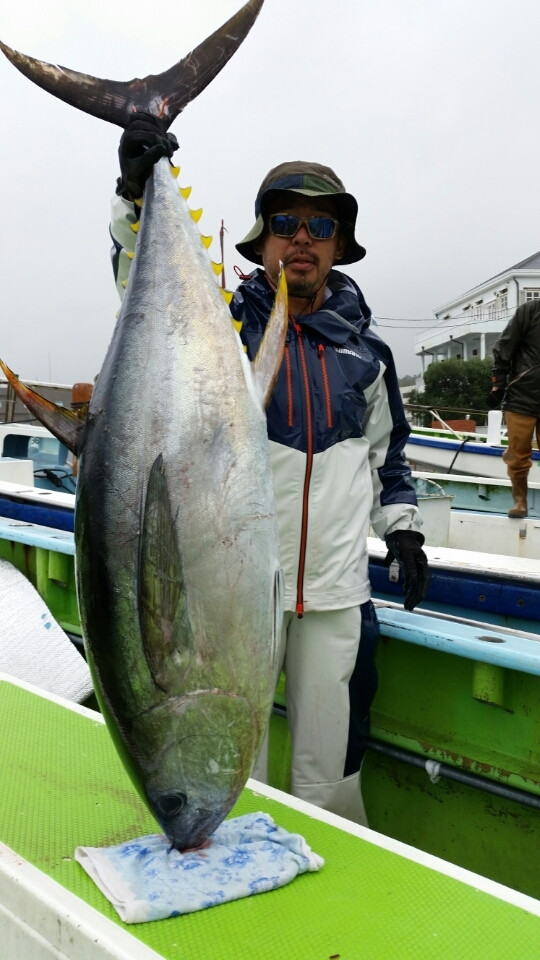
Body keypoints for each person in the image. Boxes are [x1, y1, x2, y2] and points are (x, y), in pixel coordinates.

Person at [110, 114, 430, 825]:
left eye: (321, 227)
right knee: (231, 759)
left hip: (339, 591)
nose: (303, 240)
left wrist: (404, 530)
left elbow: (390, 458)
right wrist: (133, 196)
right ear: (262, 240)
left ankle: (331, 887)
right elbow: (140, 289)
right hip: (240, 592)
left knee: (332, 766)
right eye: (287, 222)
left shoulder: (368, 355)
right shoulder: (221, 328)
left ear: (339, 246)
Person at [488, 300, 540, 519]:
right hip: (522, 395)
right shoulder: (530, 311)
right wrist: (497, 383)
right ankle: (520, 502)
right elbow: (504, 346)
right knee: (517, 455)